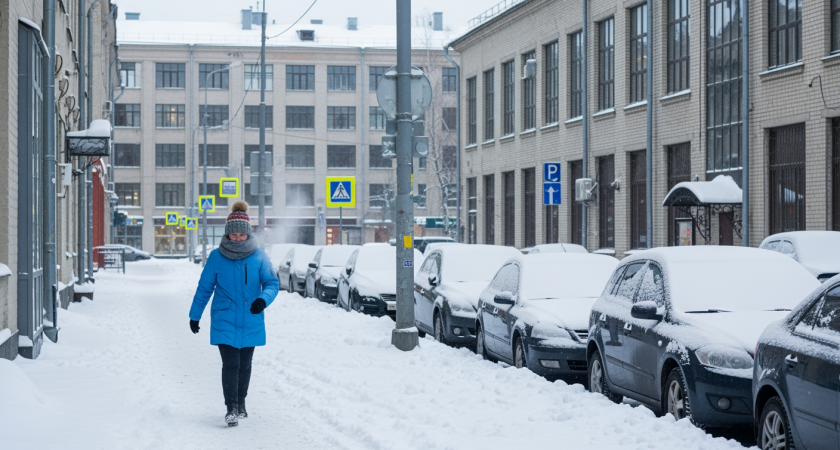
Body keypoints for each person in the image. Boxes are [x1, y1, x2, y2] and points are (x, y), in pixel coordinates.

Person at [188, 200, 279, 427]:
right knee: (230, 364)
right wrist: (195, 315)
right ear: (227, 235)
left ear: (247, 234)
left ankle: (241, 403)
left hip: (251, 317)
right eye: (233, 235)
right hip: (225, 317)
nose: (237, 238)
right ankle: (230, 409)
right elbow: (205, 287)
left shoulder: (259, 256)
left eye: (241, 234)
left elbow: (272, 283)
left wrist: (262, 300)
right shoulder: (217, 257)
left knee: (245, 365)